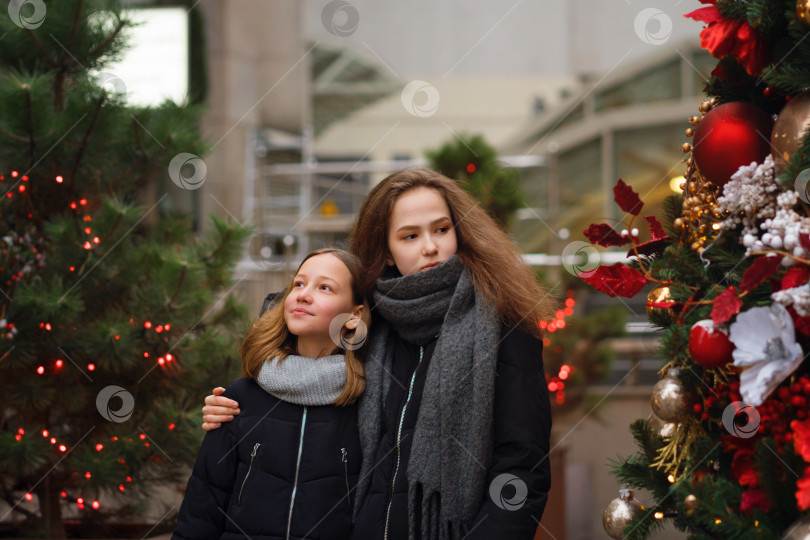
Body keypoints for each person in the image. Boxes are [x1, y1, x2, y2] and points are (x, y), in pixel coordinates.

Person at [202, 169, 553, 540]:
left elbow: (521, 467)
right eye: (410, 236)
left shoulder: (505, 327)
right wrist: (237, 406)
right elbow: (299, 360)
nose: (430, 247)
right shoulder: (370, 324)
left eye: (441, 229)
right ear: (386, 250)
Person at [173, 248, 370, 540]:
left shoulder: (366, 402)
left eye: (325, 287)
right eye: (299, 284)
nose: (303, 294)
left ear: (354, 316)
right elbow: (203, 505)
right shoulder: (239, 397)